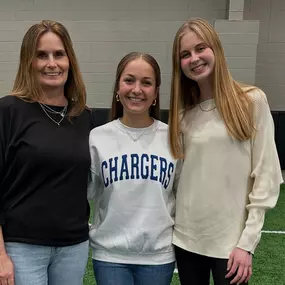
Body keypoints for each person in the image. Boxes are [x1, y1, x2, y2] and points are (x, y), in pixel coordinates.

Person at [168, 18, 283, 285]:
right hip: (186, 241)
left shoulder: (252, 100)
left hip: (231, 247)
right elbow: (179, 181)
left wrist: (247, 243)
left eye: (200, 48)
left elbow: (266, 175)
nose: (194, 58)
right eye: (185, 54)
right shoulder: (184, 115)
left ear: (216, 49)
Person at [0, 20, 94, 285]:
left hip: (73, 247)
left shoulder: (84, 117)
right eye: (41, 55)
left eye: (59, 54)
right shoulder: (8, 111)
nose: (52, 63)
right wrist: (0, 256)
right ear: (28, 61)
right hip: (22, 248)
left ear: (70, 60)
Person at [88, 52, 181, 285]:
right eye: (129, 80)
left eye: (146, 82)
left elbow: (183, 197)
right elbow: (83, 195)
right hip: (110, 256)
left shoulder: (173, 138)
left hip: (158, 257)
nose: (137, 89)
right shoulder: (97, 137)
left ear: (156, 93)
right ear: (118, 88)